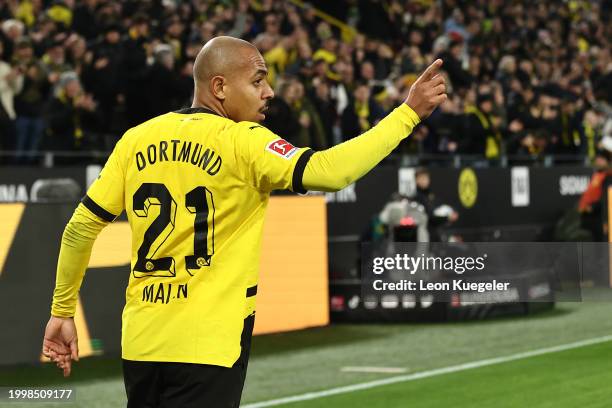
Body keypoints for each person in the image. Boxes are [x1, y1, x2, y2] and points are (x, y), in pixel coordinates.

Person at [42, 36, 446, 407]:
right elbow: (330, 171)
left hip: (142, 344)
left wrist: (62, 311)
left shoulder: (136, 139)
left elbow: (80, 227)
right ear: (219, 88)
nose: (268, 92)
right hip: (209, 346)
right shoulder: (244, 141)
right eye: (257, 81)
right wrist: (407, 114)